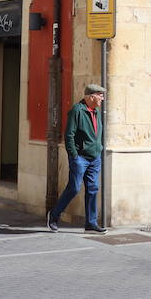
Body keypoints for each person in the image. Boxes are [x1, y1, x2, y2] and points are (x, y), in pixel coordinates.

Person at [47, 83, 106, 233]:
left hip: (95, 157)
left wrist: (99, 148)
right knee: (73, 188)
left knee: (93, 189)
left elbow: (99, 132)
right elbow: (69, 135)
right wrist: (74, 155)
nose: (102, 98)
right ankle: (53, 216)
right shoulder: (77, 110)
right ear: (91, 96)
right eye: (100, 95)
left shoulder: (97, 112)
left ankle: (91, 223)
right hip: (80, 158)